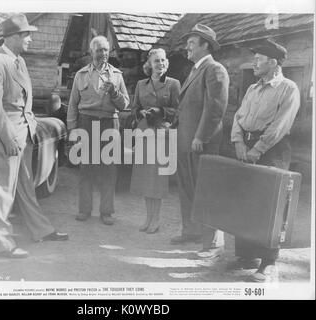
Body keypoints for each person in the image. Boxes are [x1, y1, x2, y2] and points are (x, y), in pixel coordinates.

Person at [0, 14, 68, 259]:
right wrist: (8, 138)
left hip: (24, 132)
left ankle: (41, 230)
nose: (30, 39)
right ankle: (1, 243)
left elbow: (23, 103)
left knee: (26, 186)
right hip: (4, 133)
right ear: (14, 37)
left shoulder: (19, 61)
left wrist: (31, 129)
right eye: (26, 34)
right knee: (3, 189)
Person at [229, 39, 300, 282]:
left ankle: (269, 261)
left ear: (272, 62)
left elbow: (280, 126)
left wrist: (257, 149)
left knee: (272, 205)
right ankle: (246, 255)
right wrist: (238, 142)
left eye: (258, 59)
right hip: (246, 146)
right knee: (245, 200)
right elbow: (239, 116)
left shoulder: (288, 88)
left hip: (273, 150)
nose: (254, 63)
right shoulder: (252, 88)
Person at [172, 24, 229, 259]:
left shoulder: (215, 69)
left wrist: (200, 136)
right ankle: (192, 232)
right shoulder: (196, 70)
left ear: (206, 45)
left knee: (206, 191)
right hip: (186, 141)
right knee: (187, 188)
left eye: (192, 43)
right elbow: (188, 106)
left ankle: (213, 243)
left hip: (200, 142)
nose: (187, 47)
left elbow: (215, 107)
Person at [67, 35, 129, 225]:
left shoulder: (117, 75)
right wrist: (72, 130)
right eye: (99, 50)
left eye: (106, 50)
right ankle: (84, 210)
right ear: (92, 52)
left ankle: (106, 212)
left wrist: (114, 92)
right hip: (86, 122)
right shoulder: (81, 75)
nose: (103, 54)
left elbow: (125, 104)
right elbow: (72, 105)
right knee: (86, 168)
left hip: (110, 122)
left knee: (109, 169)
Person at [130, 48, 181, 234]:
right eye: (156, 61)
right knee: (145, 176)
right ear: (149, 65)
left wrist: (162, 112)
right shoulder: (140, 85)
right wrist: (140, 113)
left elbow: (179, 110)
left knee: (157, 178)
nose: (160, 64)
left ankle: (157, 218)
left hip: (161, 132)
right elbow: (134, 107)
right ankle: (148, 217)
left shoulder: (173, 84)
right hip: (144, 131)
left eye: (162, 60)